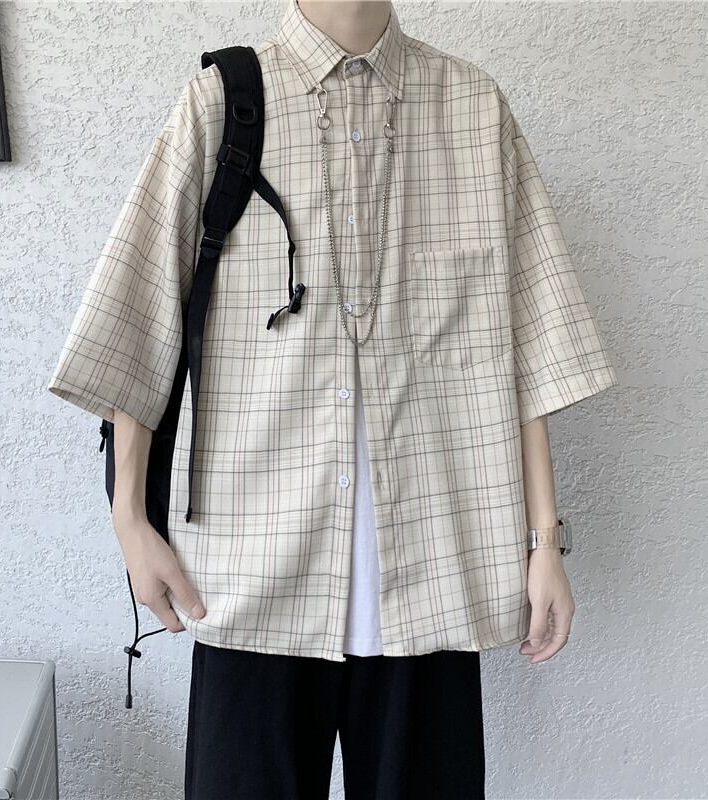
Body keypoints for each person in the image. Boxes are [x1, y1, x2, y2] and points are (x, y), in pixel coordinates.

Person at [47, 1, 619, 797]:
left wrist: (543, 542)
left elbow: (531, 345)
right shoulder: (222, 101)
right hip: (252, 574)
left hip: (435, 571)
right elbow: (137, 319)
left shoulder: (472, 107)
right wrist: (130, 523)